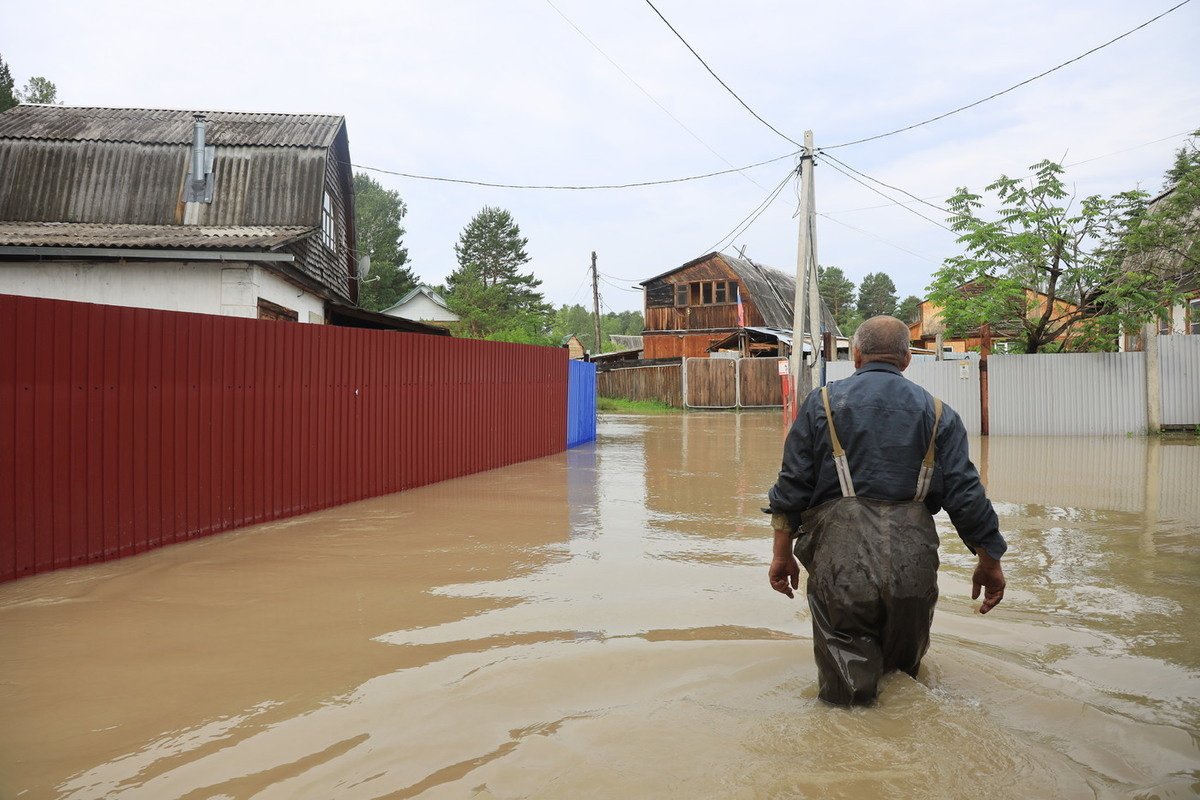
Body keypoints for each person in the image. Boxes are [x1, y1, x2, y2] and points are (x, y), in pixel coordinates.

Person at [766, 315, 1006, 706]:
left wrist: (781, 556)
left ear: (856, 355)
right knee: (903, 685)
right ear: (907, 360)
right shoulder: (940, 415)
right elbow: (967, 496)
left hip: (842, 570)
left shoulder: (822, 404)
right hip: (913, 568)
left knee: (846, 703)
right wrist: (989, 561)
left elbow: (792, 486)